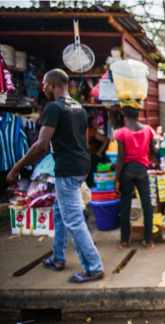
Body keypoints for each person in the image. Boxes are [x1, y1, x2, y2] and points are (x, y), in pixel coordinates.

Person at [7, 68, 104, 283]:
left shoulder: (53, 107)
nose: (42, 89)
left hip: (67, 169)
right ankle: (58, 258)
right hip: (81, 166)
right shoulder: (78, 106)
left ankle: (94, 267)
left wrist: (16, 168)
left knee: (73, 220)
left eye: (44, 85)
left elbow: (41, 145)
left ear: (52, 84)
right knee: (60, 212)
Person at [114, 106, 157, 249]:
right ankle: (148, 240)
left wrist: (116, 180)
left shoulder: (121, 133)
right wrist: (157, 140)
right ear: (139, 114)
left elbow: (120, 158)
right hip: (142, 170)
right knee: (147, 204)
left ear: (124, 114)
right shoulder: (148, 130)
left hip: (126, 170)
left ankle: (125, 240)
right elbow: (154, 150)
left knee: (125, 204)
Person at [86, 116, 110, 188]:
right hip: (84, 157)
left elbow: (106, 140)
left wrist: (98, 153)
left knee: (92, 179)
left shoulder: (90, 131)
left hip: (92, 157)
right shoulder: (85, 131)